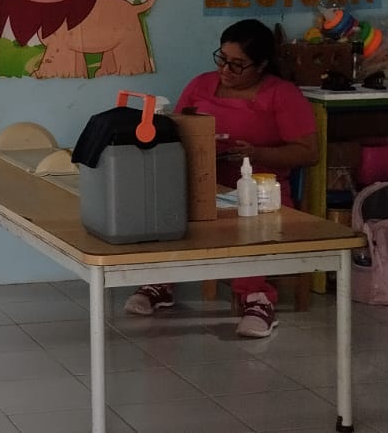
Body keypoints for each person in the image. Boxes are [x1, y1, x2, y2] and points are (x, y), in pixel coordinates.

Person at [123, 19, 317, 338]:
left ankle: (257, 300)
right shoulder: (201, 85)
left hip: (259, 188)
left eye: (238, 64)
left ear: (261, 65)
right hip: (205, 181)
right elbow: (176, 128)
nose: (226, 70)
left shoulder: (282, 95)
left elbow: (308, 152)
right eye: (222, 59)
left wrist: (256, 153)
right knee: (164, 203)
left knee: (251, 223)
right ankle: (160, 283)